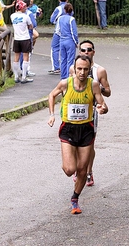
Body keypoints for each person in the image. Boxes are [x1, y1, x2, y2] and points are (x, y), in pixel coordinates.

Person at [48, 54, 108, 214]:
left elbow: (103, 104)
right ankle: (72, 161)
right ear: (74, 69)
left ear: (89, 71)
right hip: (68, 129)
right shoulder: (65, 84)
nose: (82, 72)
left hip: (86, 130)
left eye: (85, 69)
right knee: (69, 170)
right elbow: (51, 95)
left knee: (82, 170)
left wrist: (103, 108)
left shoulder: (93, 85)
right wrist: (52, 114)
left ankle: (75, 199)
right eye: (79, 69)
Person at [69, 40, 111, 187]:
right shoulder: (73, 69)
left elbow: (108, 92)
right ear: (79, 52)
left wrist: (98, 88)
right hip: (74, 111)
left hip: (91, 111)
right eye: (83, 50)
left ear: (93, 52)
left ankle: (88, 171)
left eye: (89, 50)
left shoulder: (100, 70)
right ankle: (79, 169)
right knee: (73, 143)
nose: (86, 52)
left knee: (89, 144)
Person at [10, 0, 34, 84]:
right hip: (25, 38)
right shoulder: (25, 16)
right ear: (22, 8)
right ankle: (24, 77)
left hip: (17, 38)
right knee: (25, 57)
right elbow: (31, 26)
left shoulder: (12, 16)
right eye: (24, 7)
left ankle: (16, 76)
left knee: (16, 57)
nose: (25, 8)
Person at [56, 3, 79, 80]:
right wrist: (76, 42)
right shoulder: (72, 19)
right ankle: (69, 76)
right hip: (70, 41)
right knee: (70, 59)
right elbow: (73, 32)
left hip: (62, 40)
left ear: (64, 10)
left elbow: (58, 30)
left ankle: (63, 76)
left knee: (63, 59)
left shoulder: (60, 18)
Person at [49, 0, 69, 74]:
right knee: (66, 49)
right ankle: (66, 67)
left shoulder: (58, 8)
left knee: (55, 48)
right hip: (67, 31)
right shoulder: (69, 7)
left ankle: (56, 67)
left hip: (59, 31)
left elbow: (52, 20)